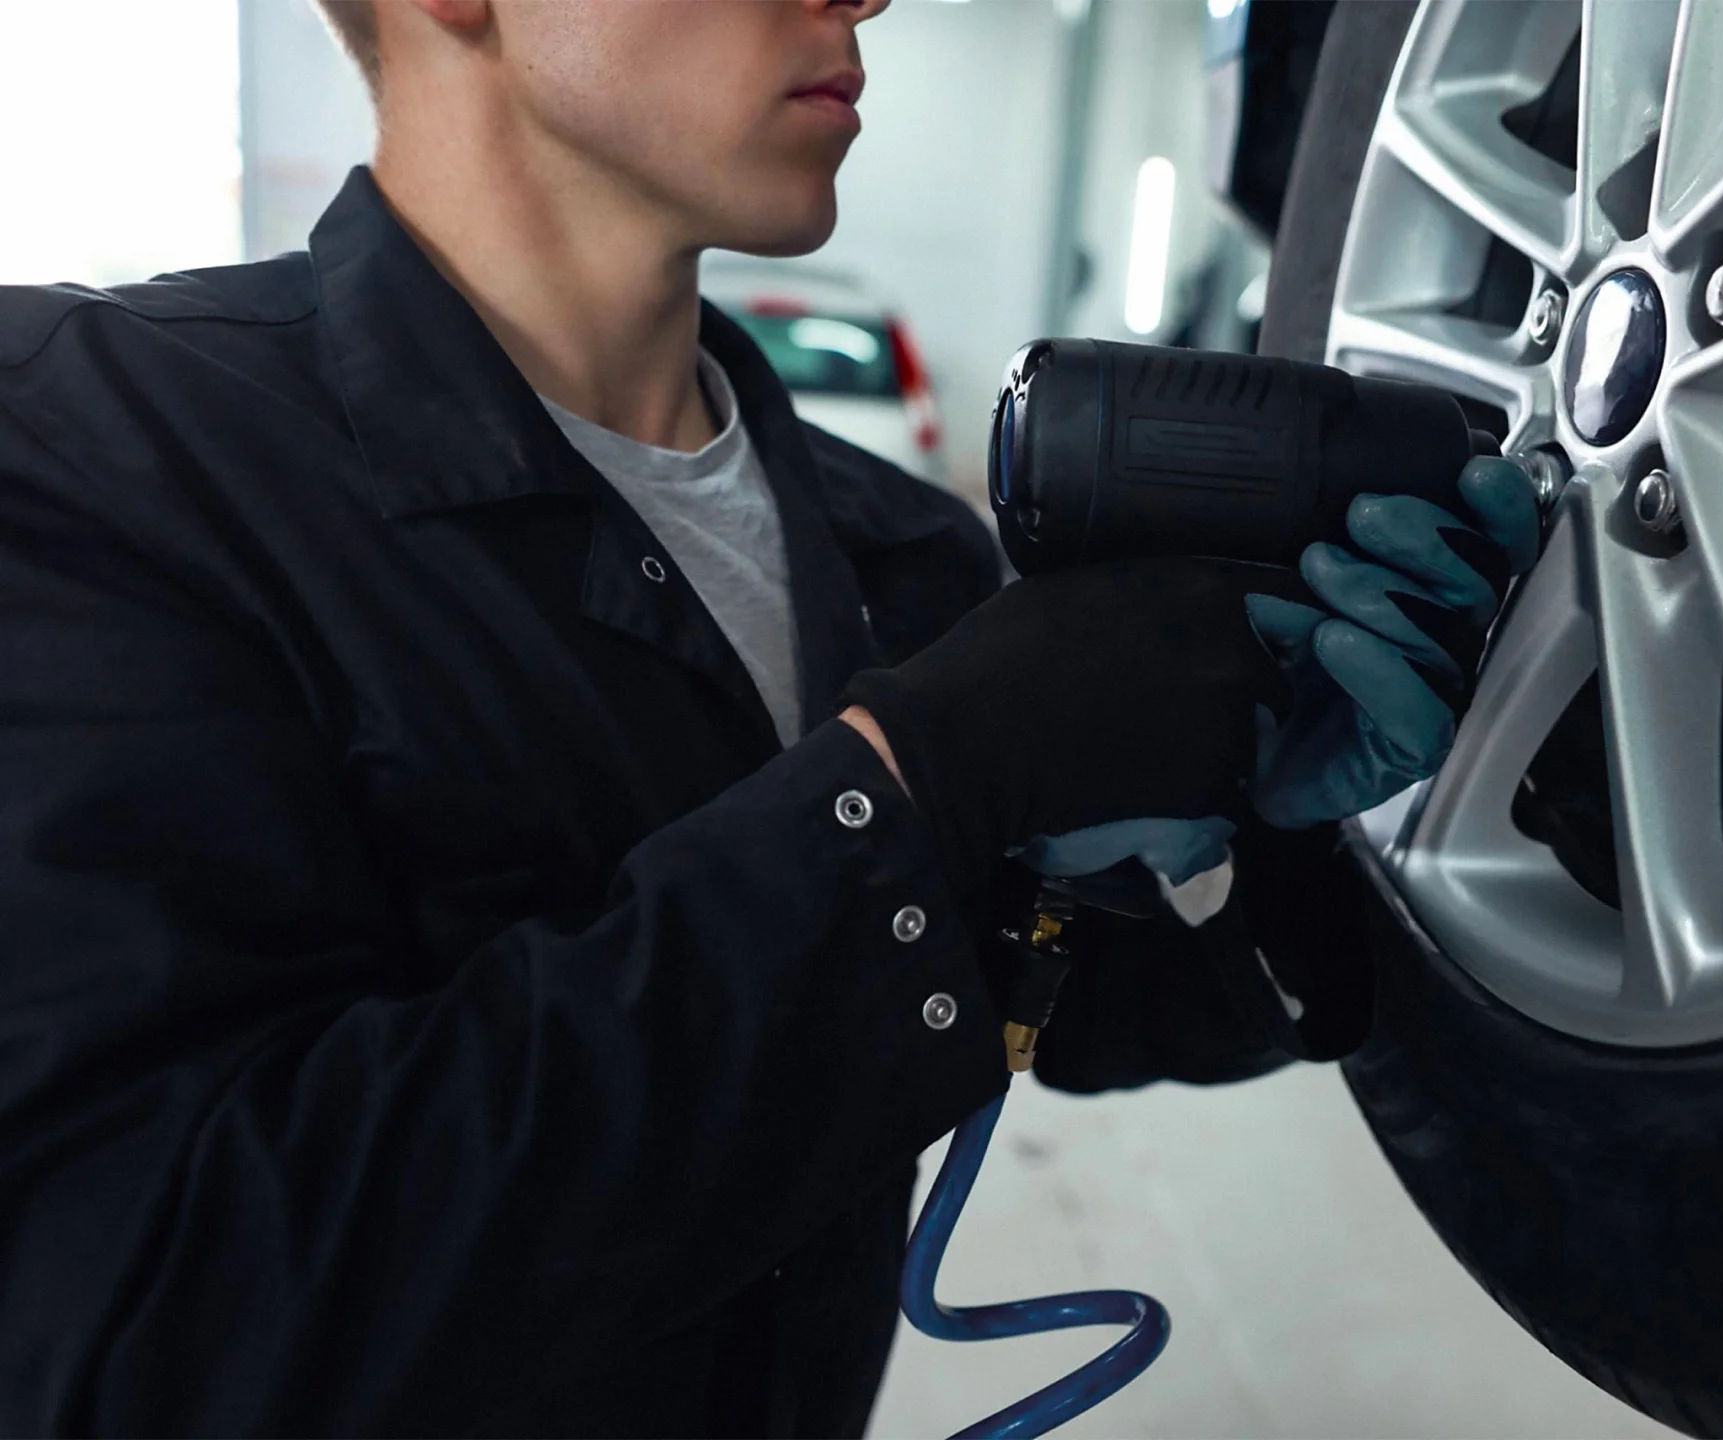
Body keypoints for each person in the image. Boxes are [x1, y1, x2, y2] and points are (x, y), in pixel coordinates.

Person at [0, 0, 1538, 1433]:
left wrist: (1296, 854)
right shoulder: (94, 452)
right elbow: (138, 1320)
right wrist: (909, 793)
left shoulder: (897, 551)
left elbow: (1042, 1007)